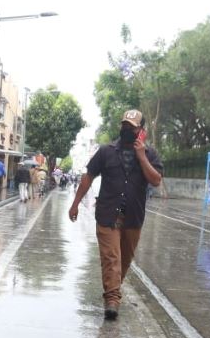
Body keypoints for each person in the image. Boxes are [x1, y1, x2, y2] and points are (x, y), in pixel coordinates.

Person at [69, 110, 163, 320]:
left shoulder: (150, 154)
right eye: (125, 125)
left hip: (133, 218)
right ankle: (112, 300)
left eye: (132, 127)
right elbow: (88, 177)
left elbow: (156, 180)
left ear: (141, 131)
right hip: (108, 215)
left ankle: (113, 289)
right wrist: (75, 204)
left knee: (124, 261)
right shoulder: (106, 151)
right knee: (112, 258)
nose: (127, 129)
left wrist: (141, 156)